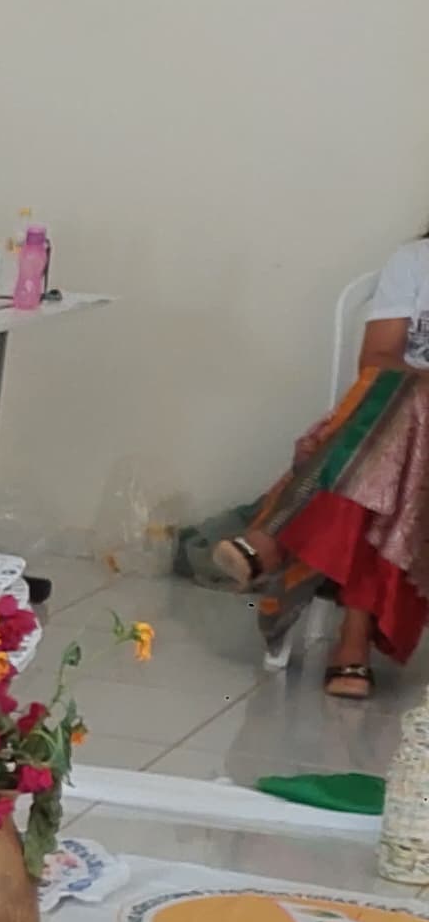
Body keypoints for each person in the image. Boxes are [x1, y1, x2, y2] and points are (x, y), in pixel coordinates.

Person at [179, 246, 429, 698]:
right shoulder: (415, 262)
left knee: (387, 441)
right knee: (398, 421)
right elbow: (377, 359)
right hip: (397, 435)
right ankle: (351, 638)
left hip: (389, 443)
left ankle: (275, 540)